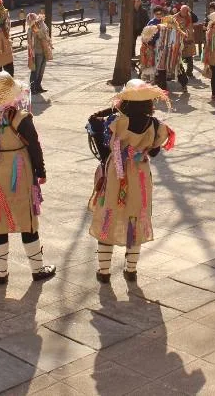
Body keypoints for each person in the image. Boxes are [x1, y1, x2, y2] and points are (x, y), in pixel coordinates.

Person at [0, 72, 57, 284]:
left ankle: (1, 274)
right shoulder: (20, 117)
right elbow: (34, 146)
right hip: (17, 174)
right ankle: (37, 269)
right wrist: (41, 171)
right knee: (27, 219)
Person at [89, 79, 174, 282]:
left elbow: (93, 122)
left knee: (108, 214)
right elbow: (154, 152)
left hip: (116, 174)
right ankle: (131, 270)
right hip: (140, 176)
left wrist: (112, 109)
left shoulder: (116, 121)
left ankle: (104, 272)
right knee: (136, 217)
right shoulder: (156, 125)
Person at [26, 13, 53, 94]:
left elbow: (46, 34)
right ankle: (32, 88)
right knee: (35, 71)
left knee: (41, 70)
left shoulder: (41, 25)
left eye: (35, 18)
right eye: (32, 19)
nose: (35, 20)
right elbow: (31, 41)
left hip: (44, 50)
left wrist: (49, 43)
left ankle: (38, 86)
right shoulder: (32, 28)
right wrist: (31, 53)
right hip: (37, 52)